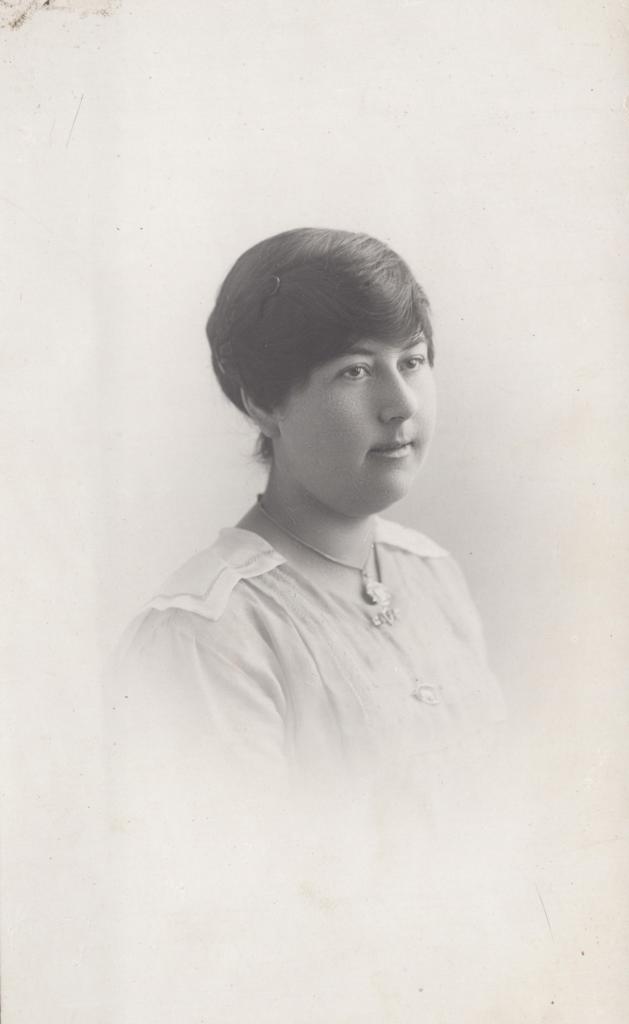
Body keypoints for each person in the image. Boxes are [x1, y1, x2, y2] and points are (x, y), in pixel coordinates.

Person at [106, 230, 553, 1024]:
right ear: (261, 400)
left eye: (411, 360)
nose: (398, 403)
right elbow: (225, 944)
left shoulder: (431, 576)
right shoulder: (207, 635)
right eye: (353, 370)